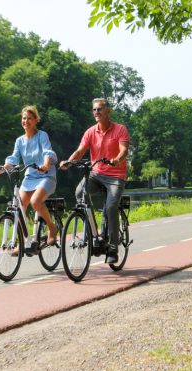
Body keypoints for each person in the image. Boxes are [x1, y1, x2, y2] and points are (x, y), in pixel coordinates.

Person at [59, 98, 130, 264]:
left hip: (115, 176)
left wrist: (117, 159)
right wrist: (69, 162)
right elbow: (80, 150)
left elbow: (124, 150)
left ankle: (113, 248)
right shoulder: (90, 132)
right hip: (96, 174)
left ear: (108, 111)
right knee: (79, 194)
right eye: (94, 110)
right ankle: (94, 232)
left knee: (111, 207)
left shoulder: (120, 129)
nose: (96, 112)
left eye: (99, 109)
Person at [0, 105, 58, 249]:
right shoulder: (19, 141)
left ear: (35, 120)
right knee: (19, 207)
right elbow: (14, 158)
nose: (26, 121)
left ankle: (52, 228)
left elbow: (48, 152)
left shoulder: (42, 135)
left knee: (35, 202)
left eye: (29, 118)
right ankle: (24, 241)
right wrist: (2, 168)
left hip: (45, 175)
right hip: (30, 177)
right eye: (23, 118)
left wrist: (46, 165)